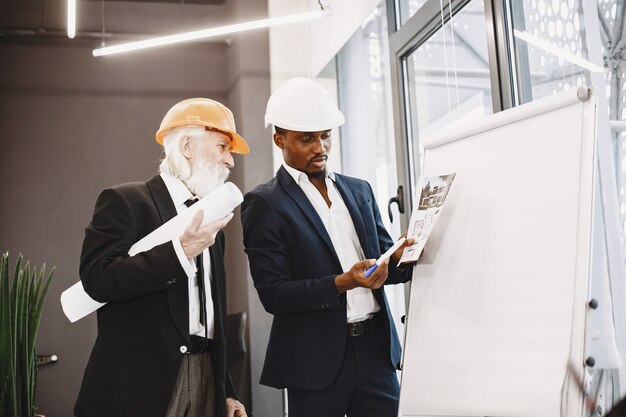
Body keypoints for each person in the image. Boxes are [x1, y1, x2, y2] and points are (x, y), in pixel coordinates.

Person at [240, 77, 415, 417]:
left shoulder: (359, 190)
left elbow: (385, 267)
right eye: (307, 139)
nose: (319, 147)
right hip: (313, 363)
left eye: (325, 136)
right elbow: (274, 294)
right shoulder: (264, 203)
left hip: (376, 353)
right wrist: (343, 282)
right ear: (280, 139)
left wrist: (405, 254)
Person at [74, 98, 248, 417]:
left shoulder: (212, 224)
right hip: (140, 384)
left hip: (207, 376)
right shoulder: (125, 201)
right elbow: (98, 279)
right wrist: (179, 252)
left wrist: (226, 391)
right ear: (187, 146)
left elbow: (209, 319)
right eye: (223, 146)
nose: (230, 161)